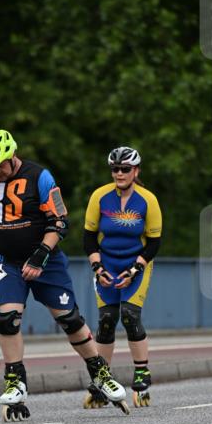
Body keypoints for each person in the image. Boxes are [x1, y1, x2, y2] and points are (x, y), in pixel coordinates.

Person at [0, 129, 129, 418]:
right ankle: (15, 381)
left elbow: (60, 222)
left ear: (13, 155)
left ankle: (100, 374)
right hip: (6, 261)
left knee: (69, 319)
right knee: (7, 318)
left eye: (1, 165)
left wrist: (40, 255)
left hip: (47, 260)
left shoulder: (39, 177)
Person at [83, 146, 163, 407]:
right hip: (107, 265)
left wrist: (135, 269)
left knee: (129, 315)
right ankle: (102, 379)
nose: (119, 173)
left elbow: (153, 242)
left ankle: (141, 372)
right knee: (106, 320)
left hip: (136, 264)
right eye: (115, 169)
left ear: (136, 171)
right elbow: (88, 238)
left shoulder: (148, 200)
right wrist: (98, 268)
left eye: (125, 169)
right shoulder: (100, 197)